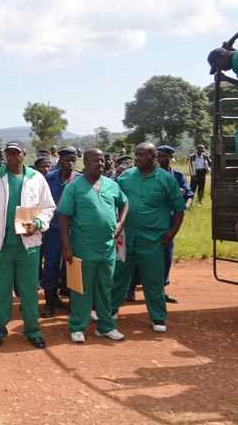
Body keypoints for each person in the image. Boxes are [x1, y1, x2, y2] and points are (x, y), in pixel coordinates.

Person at [0, 140, 56, 349]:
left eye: (16, 153)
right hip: (1, 246)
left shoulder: (36, 178)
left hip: (28, 246)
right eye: (9, 153)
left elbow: (48, 207)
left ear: (24, 154)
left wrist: (38, 223)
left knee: (29, 291)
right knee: (0, 291)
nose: (12, 156)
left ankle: (32, 331)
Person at [110, 143, 186, 333]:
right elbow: (112, 199)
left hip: (153, 239)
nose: (137, 159)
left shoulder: (167, 180)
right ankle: (110, 310)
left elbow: (179, 208)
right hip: (127, 237)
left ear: (154, 157)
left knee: (153, 280)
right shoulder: (126, 177)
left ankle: (158, 317)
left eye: (142, 155)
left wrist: (172, 232)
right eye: (136, 155)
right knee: (119, 275)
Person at [57, 149, 129, 343]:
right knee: (81, 289)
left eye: (103, 160)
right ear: (86, 163)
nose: (101, 164)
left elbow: (125, 203)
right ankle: (77, 326)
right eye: (96, 160)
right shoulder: (74, 187)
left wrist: (120, 224)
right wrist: (66, 247)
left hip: (107, 248)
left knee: (105, 287)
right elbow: (63, 218)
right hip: (82, 247)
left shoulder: (112, 185)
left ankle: (105, 326)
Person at [41, 147, 81, 317]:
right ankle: (50, 302)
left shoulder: (80, 180)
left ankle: (74, 303)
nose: (70, 163)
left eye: (73, 160)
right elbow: (40, 203)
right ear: (60, 160)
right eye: (67, 160)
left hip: (74, 229)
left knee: (72, 266)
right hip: (52, 228)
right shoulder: (48, 179)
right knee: (50, 265)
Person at [156, 145, 194, 303]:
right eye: (159, 156)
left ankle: (161, 291)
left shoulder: (177, 175)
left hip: (171, 222)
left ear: (171, 157)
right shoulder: (152, 175)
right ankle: (131, 289)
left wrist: (185, 208)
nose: (161, 159)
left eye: (164, 156)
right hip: (153, 221)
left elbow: (189, 194)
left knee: (166, 257)